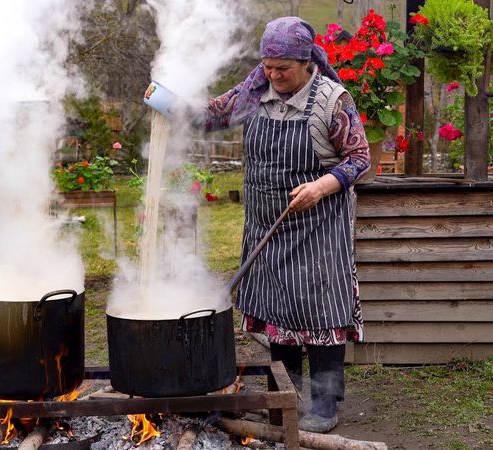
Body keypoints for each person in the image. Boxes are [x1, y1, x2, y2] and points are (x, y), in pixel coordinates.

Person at [195, 17, 369, 433]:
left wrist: (321, 187)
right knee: (278, 314)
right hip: (265, 225)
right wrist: (167, 104)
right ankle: (285, 400)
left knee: (320, 314)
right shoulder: (256, 91)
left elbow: (360, 159)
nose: (273, 75)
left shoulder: (332, 99)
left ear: (306, 61)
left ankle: (325, 405)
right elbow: (212, 116)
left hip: (317, 227)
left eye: (282, 69)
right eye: (268, 66)